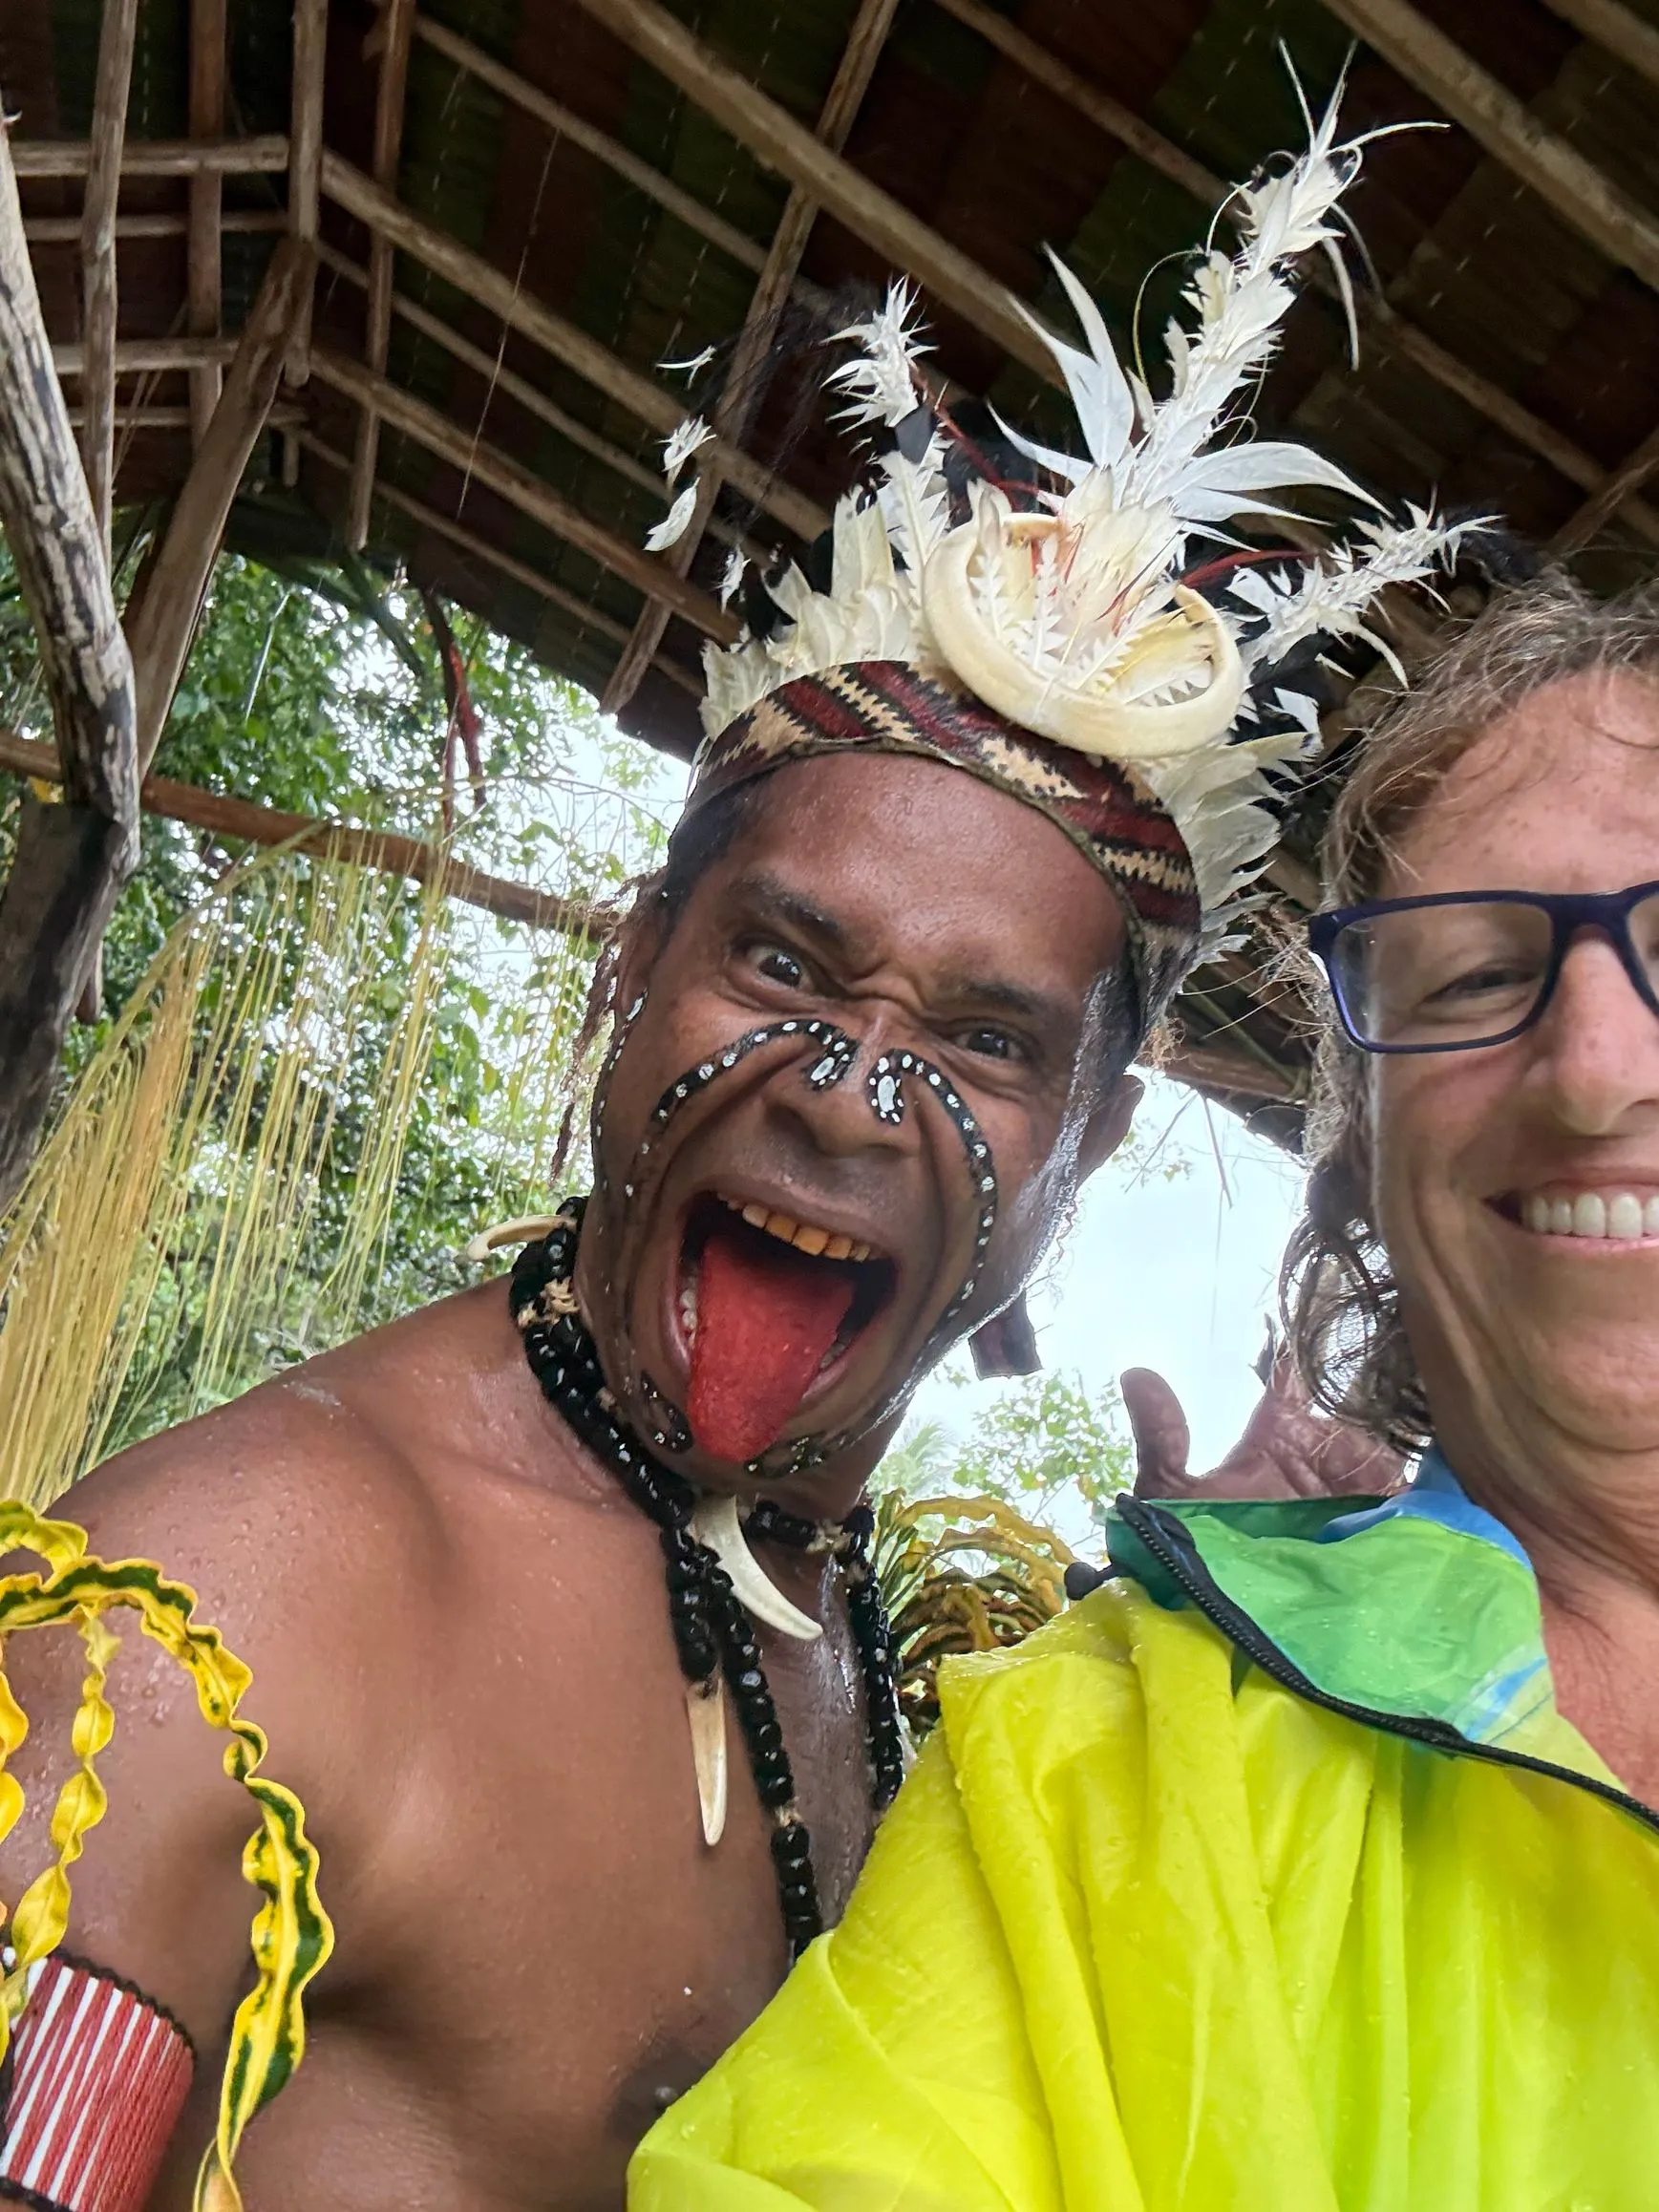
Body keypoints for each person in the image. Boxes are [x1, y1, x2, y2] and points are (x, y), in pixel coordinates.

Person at [0, 99, 1456, 2212]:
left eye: (982, 1037)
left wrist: (1188, 1699)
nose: (856, 1091)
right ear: (630, 970)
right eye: (788, 963)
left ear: (1093, 1144)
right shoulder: (228, 1616)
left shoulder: (913, 1646)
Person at [627, 573, 1659, 2212]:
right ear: (1364, 1164)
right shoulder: (1103, 1771)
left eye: (988, 1039)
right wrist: (1251, 1663)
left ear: (1090, 1149)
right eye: (1467, 978)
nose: (1599, 1066)